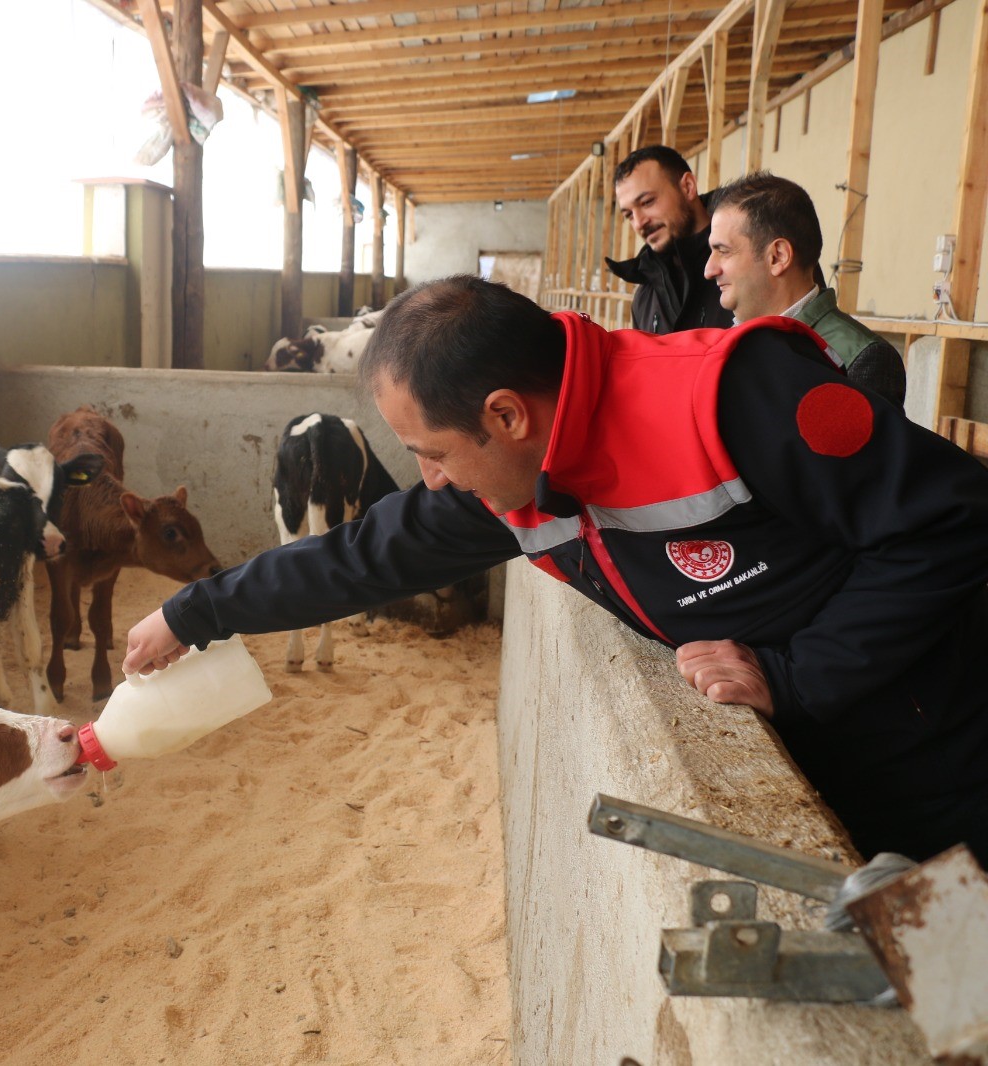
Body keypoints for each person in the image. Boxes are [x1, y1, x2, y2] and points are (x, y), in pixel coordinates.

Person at [125, 276, 988, 865]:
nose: (430, 479)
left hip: (941, 747)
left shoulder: (730, 395)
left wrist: (798, 677)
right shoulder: (515, 481)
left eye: (433, 453)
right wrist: (193, 614)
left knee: (957, 991)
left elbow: (953, 520)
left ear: (505, 415)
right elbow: (361, 557)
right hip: (819, 756)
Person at [705, 171, 906, 408]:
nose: (709, 269)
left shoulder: (862, 360)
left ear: (777, 256)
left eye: (724, 251)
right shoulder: (722, 346)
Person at [606, 145, 728, 333]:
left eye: (647, 202)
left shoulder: (742, 265)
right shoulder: (643, 300)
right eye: (629, 214)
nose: (639, 223)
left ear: (688, 187)